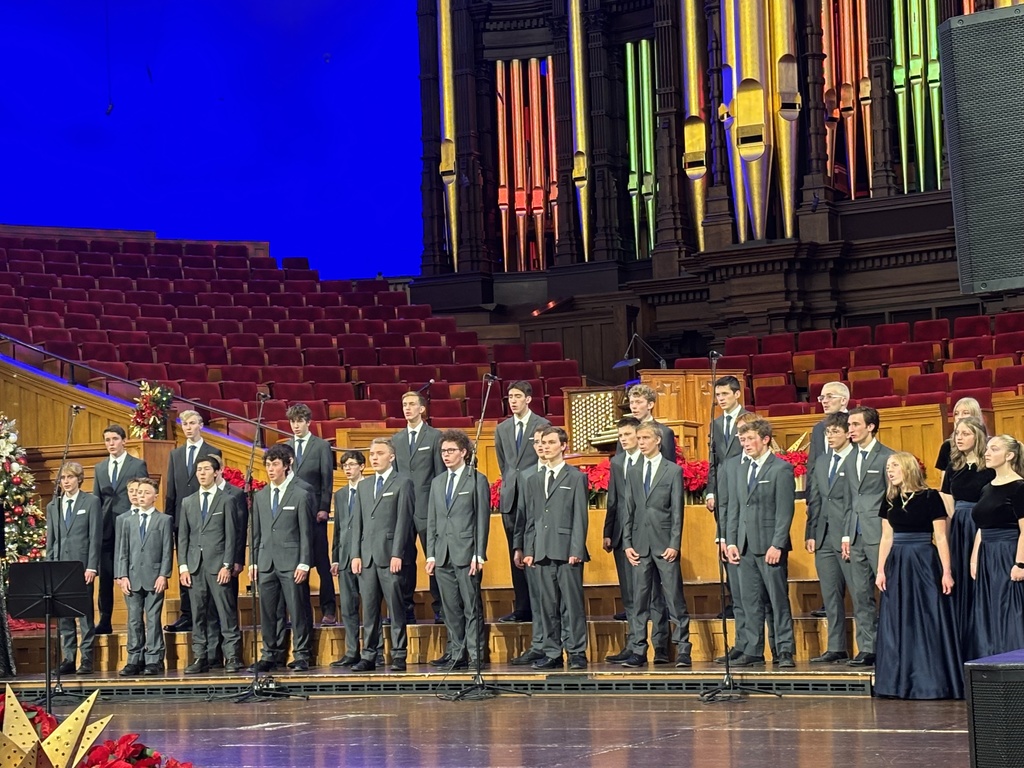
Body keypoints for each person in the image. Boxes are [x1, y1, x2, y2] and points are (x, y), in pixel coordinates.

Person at [875, 452, 962, 699]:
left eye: (894, 466)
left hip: (924, 559)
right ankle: (897, 683)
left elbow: (942, 537)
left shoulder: (930, 497)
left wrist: (946, 571)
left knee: (928, 617)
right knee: (898, 620)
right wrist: (880, 570)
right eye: (888, 467)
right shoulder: (890, 499)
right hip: (898, 562)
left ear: (908, 469)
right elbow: (886, 538)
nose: (889, 471)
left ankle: (931, 682)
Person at [725, 418, 796, 668]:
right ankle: (754, 650)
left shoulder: (780, 469)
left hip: (769, 546)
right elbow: (734, 508)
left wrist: (777, 544)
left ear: (765, 440)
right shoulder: (741, 470)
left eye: (750, 439)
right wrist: (731, 541)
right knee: (750, 601)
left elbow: (785, 512)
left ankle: (784, 650)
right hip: (744, 546)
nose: (745, 444)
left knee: (777, 600)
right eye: (742, 440)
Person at [621, 422, 693, 669]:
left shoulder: (671, 470)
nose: (640, 442)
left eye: (644, 438)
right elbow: (628, 509)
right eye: (638, 438)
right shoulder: (632, 471)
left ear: (657, 440)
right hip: (640, 545)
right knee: (640, 600)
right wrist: (627, 542)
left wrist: (675, 543)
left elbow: (676, 512)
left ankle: (683, 649)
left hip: (664, 544)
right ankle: (639, 650)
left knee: (674, 598)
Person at [604, 417, 669, 664]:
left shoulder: (651, 461)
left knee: (653, 595)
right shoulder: (618, 462)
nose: (624, 439)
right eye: (620, 435)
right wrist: (608, 531)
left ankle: (660, 645)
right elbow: (614, 500)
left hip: (651, 537)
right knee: (631, 595)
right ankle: (634, 644)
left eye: (628, 434)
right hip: (624, 536)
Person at [523, 426, 589, 669]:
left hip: (566, 550)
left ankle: (576, 652)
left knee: (571, 605)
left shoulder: (575, 477)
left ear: (563, 446)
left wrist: (576, 549)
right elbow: (531, 518)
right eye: (544, 442)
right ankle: (552, 652)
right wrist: (529, 549)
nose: (546, 446)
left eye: (552, 442)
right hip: (541, 550)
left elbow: (580, 517)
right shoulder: (534, 479)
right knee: (547, 605)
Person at [715, 410, 777, 666]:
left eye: (748, 434)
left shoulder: (773, 465)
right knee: (741, 599)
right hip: (736, 541)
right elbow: (727, 506)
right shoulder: (730, 465)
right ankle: (743, 644)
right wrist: (724, 538)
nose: (744, 440)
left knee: (765, 599)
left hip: (763, 540)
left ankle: (774, 648)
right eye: (740, 435)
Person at [349, 437, 416, 672]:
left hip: (390, 556)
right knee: (369, 609)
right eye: (372, 454)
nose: (374, 457)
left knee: (396, 608)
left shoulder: (403, 482)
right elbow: (357, 522)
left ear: (392, 456)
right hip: (367, 558)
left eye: (379, 453)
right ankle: (369, 654)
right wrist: (355, 554)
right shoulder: (364, 486)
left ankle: (399, 654)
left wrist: (398, 553)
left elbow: (404, 522)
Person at [425, 430, 490, 669]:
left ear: (463, 452)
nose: (446, 455)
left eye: (451, 450)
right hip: (442, 555)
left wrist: (479, 553)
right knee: (450, 608)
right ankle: (457, 652)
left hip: (467, 553)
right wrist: (431, 553)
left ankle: (475, 654)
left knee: (471, 606)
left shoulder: (476, 479)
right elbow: (432, 520)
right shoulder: (437, 482)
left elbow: (482, 520)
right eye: (443, 451)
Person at [249, 444, 314, 672]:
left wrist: (304, 562)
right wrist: (254, 561)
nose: (271, 469)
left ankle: (302, 654)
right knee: (269, 611)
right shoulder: (261, 496)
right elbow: (255, 532)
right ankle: (271, 654)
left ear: (287, 466)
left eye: (275, 464)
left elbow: (307, 533)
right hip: (267, 562)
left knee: (297, 609)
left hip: (292, 561)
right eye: (267, 465)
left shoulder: (300, 494)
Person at [178, 455, 244, 674]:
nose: (202, 473)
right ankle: (201, 656)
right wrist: (184, 567)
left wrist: (227, 564)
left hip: (218, 566)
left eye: (206, 469)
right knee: (198, 614)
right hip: (195, 567)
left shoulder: (227, 500)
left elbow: (231, 535)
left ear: (217, 472)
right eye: (199, 470)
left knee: (226, 613)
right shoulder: (188, 502)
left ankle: (233, 656)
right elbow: (184, 537)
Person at [841, 405, 893, 667]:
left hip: (880, 534)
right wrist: (846, 536)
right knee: (861, 595)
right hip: (856, 535)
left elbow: (891, 499)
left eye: (855, 425)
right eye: (849, 425)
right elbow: (850, 500)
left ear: (871, 426)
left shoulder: (887, 457)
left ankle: (893, 646)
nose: (850, 430)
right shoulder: (849, 459)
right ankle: (868, 648)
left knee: (889, 592)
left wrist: (889, 533)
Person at [494, 380, 549, 623]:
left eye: (517, 396)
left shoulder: (542, 425)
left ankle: (542, 606)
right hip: (511, 499)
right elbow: (504, 464)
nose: (513, 400)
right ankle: (523, 607)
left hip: (534, 496)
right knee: (514, 554)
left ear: (528, 399)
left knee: (534, 551)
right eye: (510, 397)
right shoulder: (502, 428)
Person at [804, 412, 855, 663]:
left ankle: (869, 647)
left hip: (849, 536)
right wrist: (811, 532)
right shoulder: (822, 462)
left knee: (859, 593)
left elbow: (856, 502)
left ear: (848, 433)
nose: (831, 436)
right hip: (823, 536)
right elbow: (814, 498)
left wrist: (849, 534)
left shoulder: (856, 460)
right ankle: (836, 646)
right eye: (828, 432)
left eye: (836, 431)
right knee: (830, 595)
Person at [164, 410, 221, 633]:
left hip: (205, 519)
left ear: (201, 425)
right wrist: (170, 520)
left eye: (192, 423)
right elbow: (171, 489)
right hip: (182, 519)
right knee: (186, 565)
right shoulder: (175, 455)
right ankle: (187, 613)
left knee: (204, 565)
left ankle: (208, 612)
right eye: (184, 424)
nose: (187, 427)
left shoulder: (212, 452)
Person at [939, 416, 993, 652]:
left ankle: (984, 639)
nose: (959, 438)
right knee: (960, 579)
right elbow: (948, 503)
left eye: (965, 434)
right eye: (957, 434)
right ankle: (964, 641)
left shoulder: (988, 467)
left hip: (982, 524)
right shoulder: (953, 467)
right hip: (959, 527)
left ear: (978, 436)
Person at [391, 391, 445, 624]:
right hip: (403, 509)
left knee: (434, 558)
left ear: (422, 409)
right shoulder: (396, 439)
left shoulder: (435, 437)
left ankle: (440, 608)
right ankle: (405, 608)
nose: (407, 408)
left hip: (427, 508)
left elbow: (440, 476)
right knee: (404, 560)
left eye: (412, 404)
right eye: (404, 404)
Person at [969, 435, 1024, 659]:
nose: (987, 452)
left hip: (1007, 553)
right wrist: (974, 559)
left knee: (1009, 613)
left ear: (1009, 455)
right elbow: (982, 526)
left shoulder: (1019, 487)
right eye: (987, 448)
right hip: (987, 556)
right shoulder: (986, 488)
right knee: (988, 614)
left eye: (994, 448)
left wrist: (1020, 563)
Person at [46, 461, 102, 674]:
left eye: (70, 477)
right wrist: (49, 568)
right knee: (63, 615)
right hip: (60, 567)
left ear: (79, 479)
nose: (66, 482)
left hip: (82, 567)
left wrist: (92, 567)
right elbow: (51, 540)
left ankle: (86, 658)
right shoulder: (53, 505)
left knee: (84, 614)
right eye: (63, 478)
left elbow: (95, 537)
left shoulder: (90, 502)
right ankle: (68, 658)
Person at [115, 477, 173, 676]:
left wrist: (164, 574)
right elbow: (122, 550)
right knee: (133, 620)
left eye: (146, 493)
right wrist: (122, 575)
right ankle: (134, 659)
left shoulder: (163, 520)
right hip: (132, 577)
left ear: (155, 497)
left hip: (154, 576)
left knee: (153, 618)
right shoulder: (127, 521)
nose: (141, 496)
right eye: (139, 493)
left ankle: (154, 658)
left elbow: (167, 550)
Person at [93, 424, 148, 634]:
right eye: (107, 440)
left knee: (131, 574)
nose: (111, 444)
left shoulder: (137, 464)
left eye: (115, 439)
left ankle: (136, 622)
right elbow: (97, 500)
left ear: (124, 440)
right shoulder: (100, 468)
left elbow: (143, 494)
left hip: (130, 528)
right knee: (106, 576)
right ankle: (105, 620)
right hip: (107, 528)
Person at [285, 403, 337, 626]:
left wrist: (324, 506)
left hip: (315, 511)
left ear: (308, 422)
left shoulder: (320, 446)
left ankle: (329, 609)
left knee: (321, 563)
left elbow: (327, 479)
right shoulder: (286, 446)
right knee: (297, 562)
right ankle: (300, 611)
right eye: (293, 422)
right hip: (292, 514)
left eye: (299, 421)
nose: (296, 426)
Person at [704, 375, 750, 620]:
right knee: (724, 541)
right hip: (723, 491)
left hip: (744, 487)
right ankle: (734, 599)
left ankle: (749, 596)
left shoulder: (750, 419)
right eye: (718, 395)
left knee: (743, 540)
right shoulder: (716, 423)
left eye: (724, 394)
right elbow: (713, 461)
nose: (720, 399)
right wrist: (711, 490)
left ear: (737, 394)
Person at [509, 424, 552, 666]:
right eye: (535, 442)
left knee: (557, 600)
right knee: (536, 599)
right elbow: (521, 517)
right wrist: (519, 546)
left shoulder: (565, 473)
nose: (539, 447)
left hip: (556, 546)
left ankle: (560, 643)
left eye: (544, 441)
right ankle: (539, 644)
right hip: (532, 547)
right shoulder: (525, 475)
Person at [330, 451, 367, 667]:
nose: (347, 469)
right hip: (344, 557)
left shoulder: (370, 489)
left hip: (364, 556)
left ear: (362, 466)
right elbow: (339, 528)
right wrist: (335, 557)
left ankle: (375, 651)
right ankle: (352, 651)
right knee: (348, 606)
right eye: (344, 465)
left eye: (352, 464)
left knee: (369, 607)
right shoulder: (341, 494)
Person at [616, 384, 676, 462]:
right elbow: (619, 461)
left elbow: (668, 466)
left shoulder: (664, 432)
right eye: (631, 402)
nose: (634, 406)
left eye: (638, 402)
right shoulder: (625, 431)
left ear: (650, 405)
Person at [934, 397, 985, 480]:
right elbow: (944, 485)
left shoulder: (989, 445)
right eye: (956, 414)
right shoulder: (947, 446)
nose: (960, 417)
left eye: (965, 413)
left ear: (976, 415)